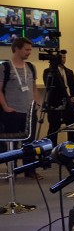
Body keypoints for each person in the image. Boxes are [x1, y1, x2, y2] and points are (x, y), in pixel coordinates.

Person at [0, 37, 42, 180]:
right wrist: (5, 107)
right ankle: (12, 169)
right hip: (12, 111)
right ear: (17, 49)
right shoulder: (5, 67)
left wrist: (37, 104)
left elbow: (34, 87)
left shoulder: (30, 67)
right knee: (11, 144)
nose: (29, 52)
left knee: (29, 142)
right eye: (26, 49)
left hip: (29, 112)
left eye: (30, 49)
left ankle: (30, 170)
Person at [42, 50, 74, 145]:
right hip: (56, 104)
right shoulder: (48, 72)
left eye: (64, 57)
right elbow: (50, 87)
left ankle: (70, 148)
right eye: (61, 57)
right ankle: (52, 149)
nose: (63, 59)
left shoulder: (69, 71)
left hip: (70, 104)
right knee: (53, 129)